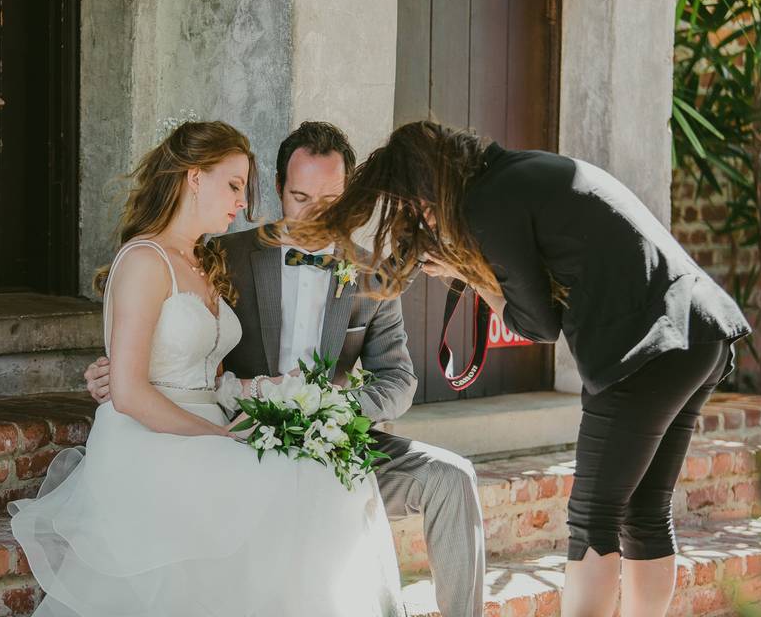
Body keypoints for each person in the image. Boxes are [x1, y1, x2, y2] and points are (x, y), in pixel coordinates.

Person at [283, 120, 752, 617]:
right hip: (703, 332)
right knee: (645, 512)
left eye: (417, 206)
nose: (421, 219)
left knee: (593, 519)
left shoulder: (488, 205)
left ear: (429, 189)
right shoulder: (521, 171)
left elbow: (537, 324)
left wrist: (468, 273)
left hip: (647, 348)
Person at [86, 121, 488, 617]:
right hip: (245, 438)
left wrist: (329, 410)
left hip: (336, 440)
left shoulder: (374, 275)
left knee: (452, 476)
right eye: (299, 196)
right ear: (278, 189)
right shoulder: (220, 257)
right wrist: (116, 370)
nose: (315, 213)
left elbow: (399, 379)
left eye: (330, 200)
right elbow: (177, 341)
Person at [9, 121, 403, 617]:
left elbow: (205, 375)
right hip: (150, 443)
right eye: (235, 186)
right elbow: (131, 391)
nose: (243, 203)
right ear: (194, 178)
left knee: (318, 485)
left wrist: (283, 395)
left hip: (205, 428)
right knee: (298, 492)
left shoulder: (204, 263)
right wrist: (214, 435)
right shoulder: (146, 259)